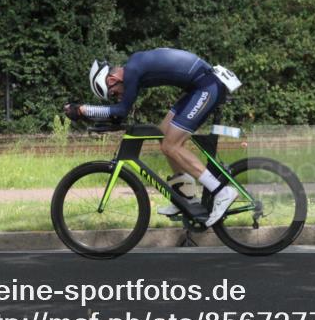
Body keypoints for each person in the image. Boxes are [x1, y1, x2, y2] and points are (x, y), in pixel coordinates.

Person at [62, 48, 237, 227]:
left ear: (112, 79)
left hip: (206, 87)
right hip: (198, 87)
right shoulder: (134, 68)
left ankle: (221, 192)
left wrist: (83, 110)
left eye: (113, 93)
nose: (117, 97)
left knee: (171, 146)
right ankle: (185, 196)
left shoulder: (132, 71)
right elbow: (120, 111)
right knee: (163, 134)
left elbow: (122, 110)